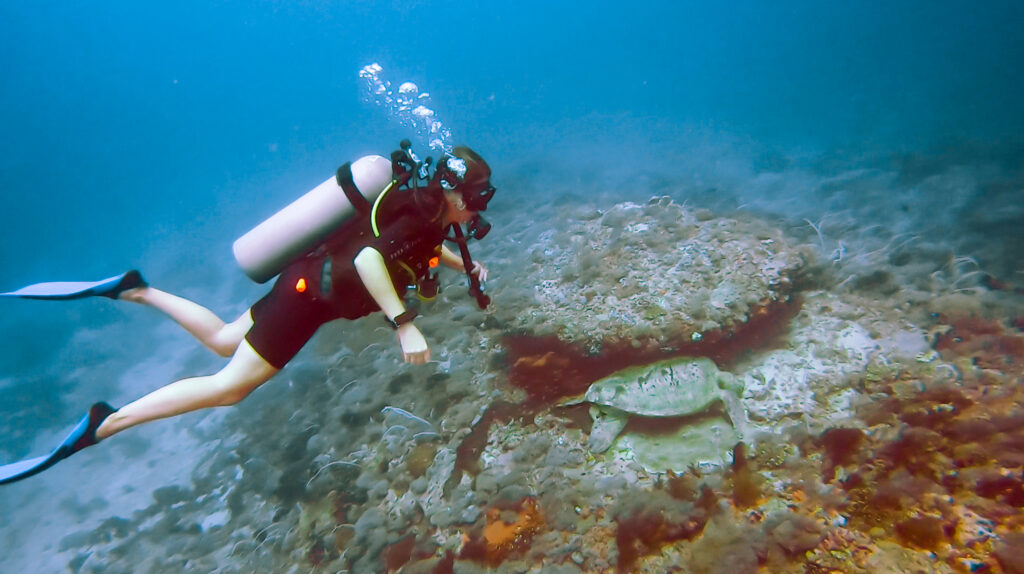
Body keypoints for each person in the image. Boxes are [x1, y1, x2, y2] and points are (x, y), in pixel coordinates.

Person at [0, 144, 496, 484]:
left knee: (221, 339)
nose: (479, 208)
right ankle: (104, 424)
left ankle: (134, 291)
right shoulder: (416, 213)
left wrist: (466, 267)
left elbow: (417, 250)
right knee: (229, 387)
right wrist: (403, 325)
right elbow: (370, 260)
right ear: (453, 190)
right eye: (477, 197)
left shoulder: (427, 214)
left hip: (306, 281)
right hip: (309, 299)